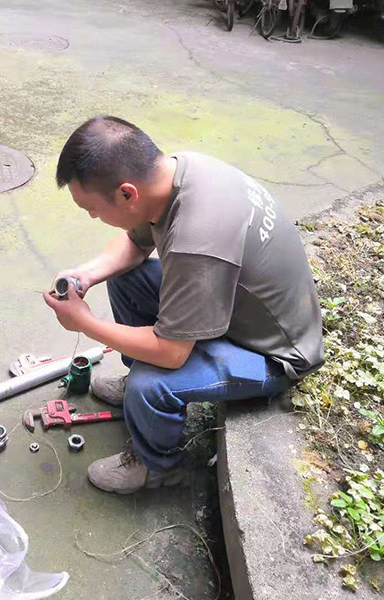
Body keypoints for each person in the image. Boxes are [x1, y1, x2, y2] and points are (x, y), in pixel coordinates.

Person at [42, 115, 324, 495]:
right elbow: (137, 243)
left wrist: (85, 323)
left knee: (151, 383)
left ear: (126, 194)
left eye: (91, 209)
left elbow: (171, 353)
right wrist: (87, 274)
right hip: (233, 305)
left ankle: (158, 467)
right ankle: (139, 391)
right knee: (126, 278)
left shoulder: (198, 237)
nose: (93, 217)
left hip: (272, 351)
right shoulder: (175, 173)